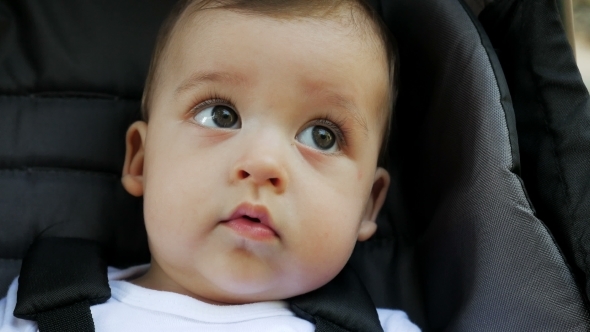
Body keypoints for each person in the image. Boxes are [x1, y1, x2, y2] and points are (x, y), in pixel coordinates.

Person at [0, 0, 419, 330]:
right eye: (220, 115)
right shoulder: (37, 310)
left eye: (321, 136)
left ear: (368, 204)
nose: (262, 162)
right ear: (142, 161)